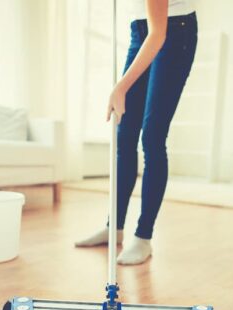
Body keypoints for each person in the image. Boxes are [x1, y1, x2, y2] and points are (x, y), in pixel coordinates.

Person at [75, 0, 198, 265]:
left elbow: (159, 34)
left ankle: (143, 237)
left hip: (175, 31)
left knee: (152, 137)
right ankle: (114, 227)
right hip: (141, 30)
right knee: (125, 134)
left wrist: (120, 87)